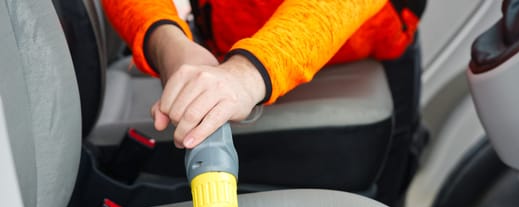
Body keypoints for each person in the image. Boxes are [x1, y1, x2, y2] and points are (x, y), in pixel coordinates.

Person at [102, 0, 420, 149]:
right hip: (225, 50)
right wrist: (167, 43)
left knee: (392, 179)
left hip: (358, 48)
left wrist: (250, 71)